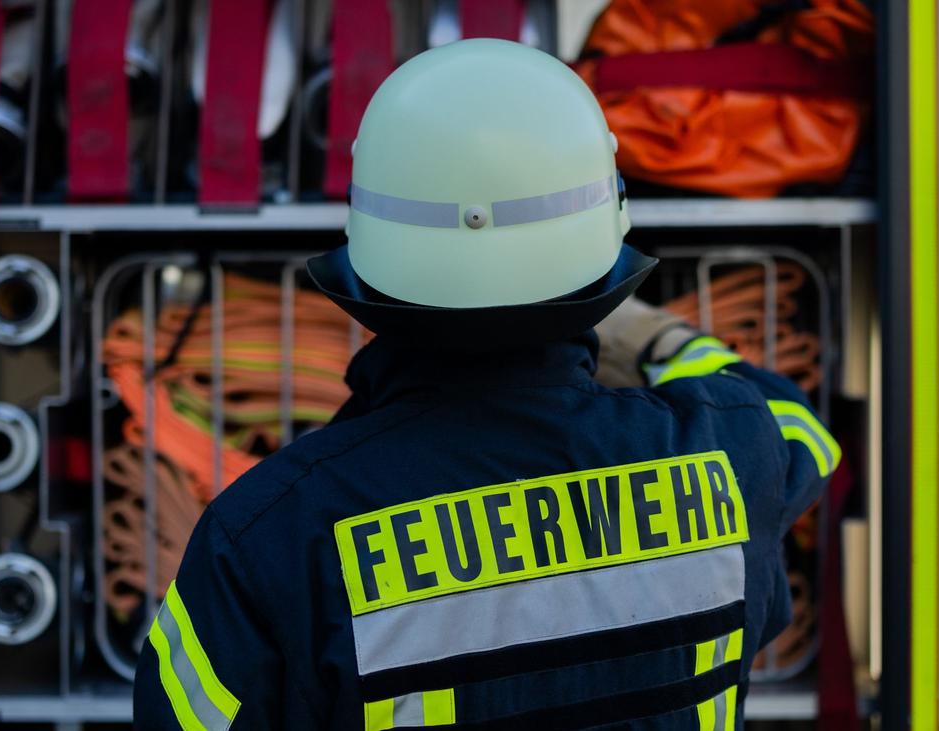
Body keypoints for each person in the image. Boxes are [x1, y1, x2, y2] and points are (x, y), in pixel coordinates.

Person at [133, 38, 838, 731]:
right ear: (604, 245)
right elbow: (799, 427)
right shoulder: (730, 453)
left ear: (370, 250)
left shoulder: (266, 535)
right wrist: (659, 340)